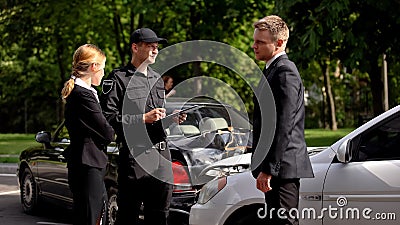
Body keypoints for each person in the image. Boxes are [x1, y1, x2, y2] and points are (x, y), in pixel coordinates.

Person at [100, 28, 184, 225]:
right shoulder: (117, 78)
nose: (155, 51)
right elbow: (108, 119)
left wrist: (171, 120)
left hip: (161, 157)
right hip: (134, 158)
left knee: (160, 216)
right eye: (150, 46)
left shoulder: (157, 79)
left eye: (156, 47)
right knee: (128, 216)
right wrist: (142, 118)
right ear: (135, 47)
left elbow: (155, 122)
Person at [251, 15, 314, 225]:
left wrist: (269, 169)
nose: (254, 46)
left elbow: (283, 125)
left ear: (279, 43)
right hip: (278, 167)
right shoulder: (272, 69)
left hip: (282, 168)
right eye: (254, 40)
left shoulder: (285, 72)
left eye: (260, 42)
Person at [61, 44, 115, 225]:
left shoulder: (81, 92)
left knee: (89, 214)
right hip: (88, 163)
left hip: (85, 162)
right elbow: (107, 133)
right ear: (94, 67)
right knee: (92, 217)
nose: (103, 73)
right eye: (103, 68)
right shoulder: (82, 94)